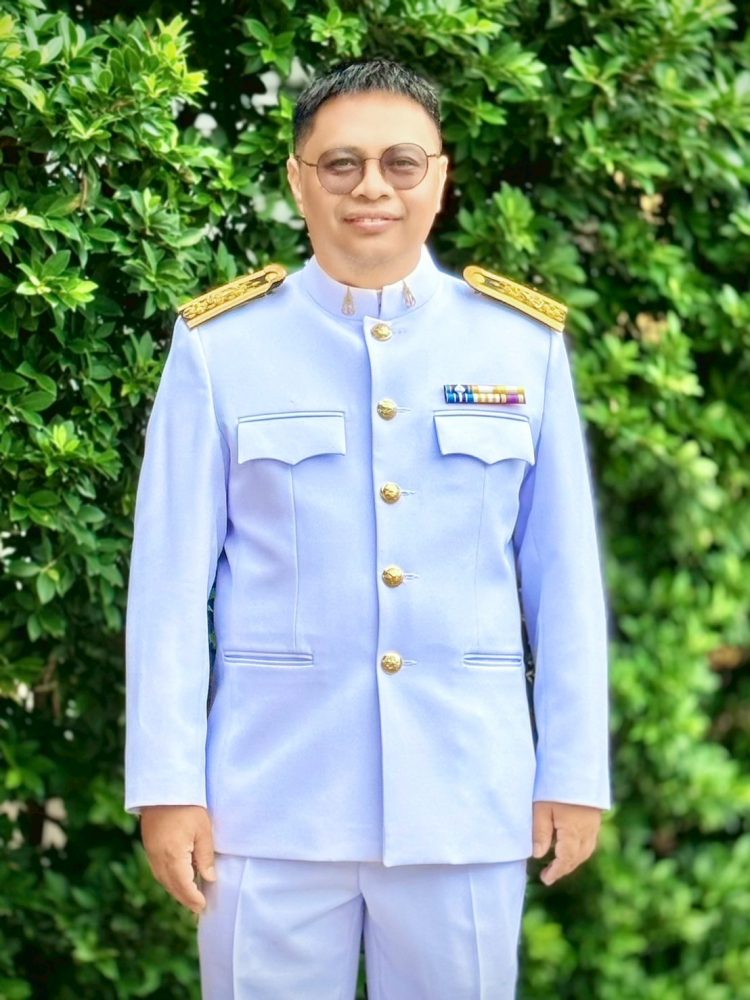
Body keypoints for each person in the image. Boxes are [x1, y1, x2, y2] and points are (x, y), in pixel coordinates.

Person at [124, 57, 612, 999]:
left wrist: (573, 769)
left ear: (441, 176)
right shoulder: (222, 346)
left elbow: (564, 582)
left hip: (464, 796)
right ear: (298, 179)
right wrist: (169, 786)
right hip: (268, 801)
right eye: (341, 163)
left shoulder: (520, 344)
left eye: (401, 162)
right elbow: (170, 587)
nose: (372, 187)